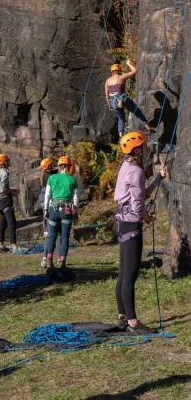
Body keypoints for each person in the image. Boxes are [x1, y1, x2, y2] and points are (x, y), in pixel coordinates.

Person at [114, 131, 166, 334]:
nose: (147, 148)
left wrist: (156, 178)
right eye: (144, 146)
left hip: (122, 223)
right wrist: (148, 218)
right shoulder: (135, 171)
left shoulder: (127, 166)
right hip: (131, 224)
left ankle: (122, 316)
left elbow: (141, 192)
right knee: (130, 274)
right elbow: (137, 205)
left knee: (123, 273)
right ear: (137, 149)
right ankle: (133, 322)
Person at [44, 156, 79, 270]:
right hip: (66, 210)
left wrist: (45, 210)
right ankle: (62, 262)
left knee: (52, 236)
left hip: (53, 210)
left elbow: (47, 195)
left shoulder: (52, 178)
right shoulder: (72, 180)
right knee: (64, 237)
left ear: (59, 166)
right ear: (69, 166)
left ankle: (49, 261)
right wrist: (76, 211)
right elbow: (75, 199)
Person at [105, 60, 153, 138]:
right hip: (122, 98)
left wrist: (108, 104)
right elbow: (134, 71)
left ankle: (121, 136)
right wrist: (129, 64)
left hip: (113, 102)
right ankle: (148, 127)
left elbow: (107, 94)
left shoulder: (107, 81)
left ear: (112, 72)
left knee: (121, 119)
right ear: (119, 71)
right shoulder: (121, 77)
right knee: (137, 111)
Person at [0, 154, 21, 253]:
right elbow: (4, 189)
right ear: (4, 162)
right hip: (5, 200)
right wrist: (14, 191)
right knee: (11, 222)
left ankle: (1, 244)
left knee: (2, 223)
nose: (9, 161)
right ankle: (14, 245)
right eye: (8, 160)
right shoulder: (4, 173)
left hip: (0, 200)